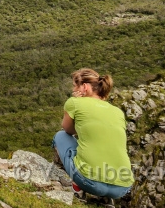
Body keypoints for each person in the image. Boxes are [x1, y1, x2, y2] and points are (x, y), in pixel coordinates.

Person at [53, 68, 132, 198]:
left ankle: (77, 188)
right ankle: (108, 199)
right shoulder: (118, 112)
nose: (73, 90)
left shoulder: (74, 102)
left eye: (75, 86)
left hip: (90, 181)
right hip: (122, 188)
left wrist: (75, 102)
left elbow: (68, 130)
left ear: (84, 87)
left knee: (60, 136)